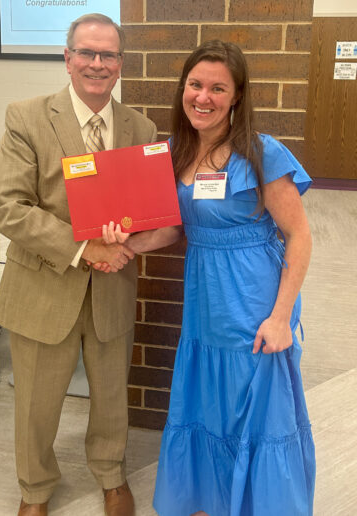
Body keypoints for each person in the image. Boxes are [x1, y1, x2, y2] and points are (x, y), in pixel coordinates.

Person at [99, 40, 316, 515]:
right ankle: (211, 499)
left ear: (237, 96)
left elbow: (299, 236)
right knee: (209, 400)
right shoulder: (172, 153)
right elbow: (176, 228)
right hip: (205, 299)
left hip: (254, 298)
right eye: (195, 85)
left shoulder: (262, 153)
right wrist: (123, 245)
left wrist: (281, 318)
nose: (203, 97)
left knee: (253, 405)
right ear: (183, 89)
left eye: (218, 88)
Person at [0, 13, 157, 516]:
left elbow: (147, 209)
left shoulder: (141, 128)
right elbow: (8, 207)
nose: (97, 63)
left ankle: (111, 475)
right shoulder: (26, 117)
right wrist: (85, 249)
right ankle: (35, 489)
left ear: (121, 64)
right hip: (45, 286)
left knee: (110, 397)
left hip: (112, 286)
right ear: (67, 58)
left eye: (108, 55)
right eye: (86, 52)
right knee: (36, 404)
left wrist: (129, 240)